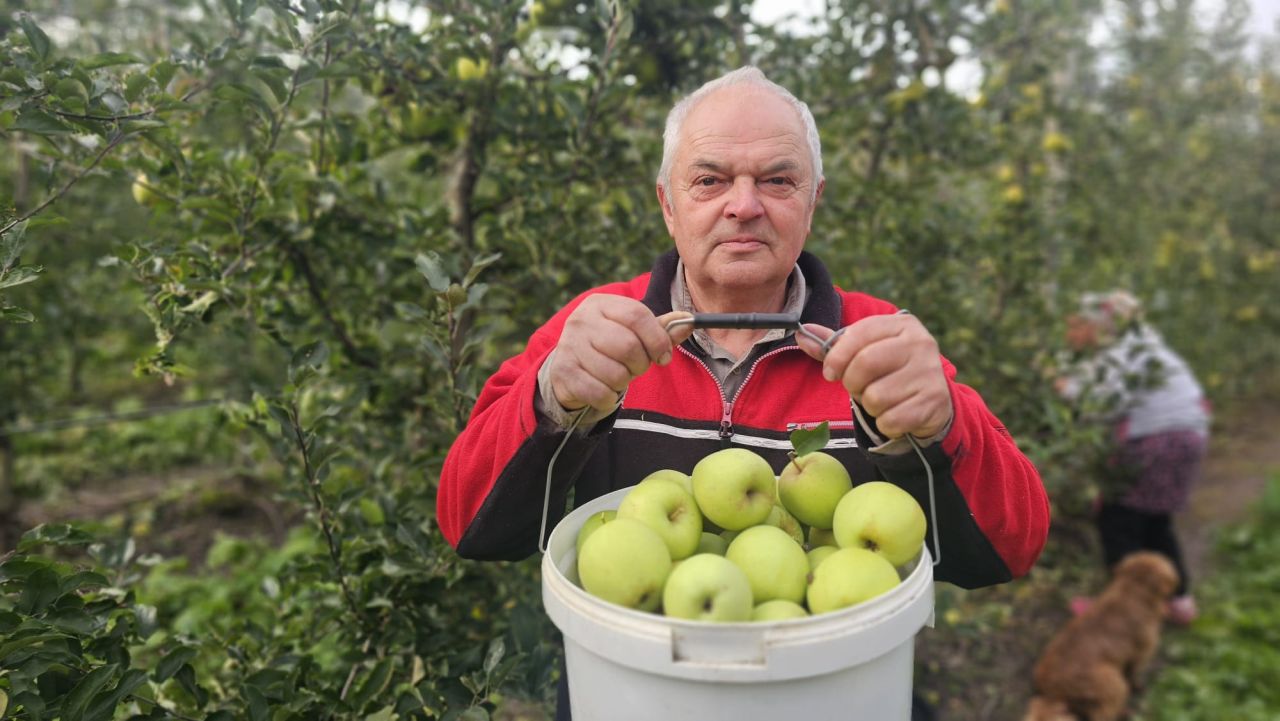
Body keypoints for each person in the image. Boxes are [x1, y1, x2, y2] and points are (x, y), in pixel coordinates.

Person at [437, 66, 1050, 719]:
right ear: (668, 205)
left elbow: (1010, 547)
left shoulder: (876, 345)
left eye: (778, 181)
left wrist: (937, 426)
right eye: (710, 180)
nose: (744, 205)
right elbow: (470, 524)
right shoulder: (597, 332)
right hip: (634, 696)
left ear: (813, 202)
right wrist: (552, 402)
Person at [1055, 290, 1210, 626]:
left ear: (1100, 326)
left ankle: (1122, 611)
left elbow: (1102, 403)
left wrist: (1064, 388)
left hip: (1158, 439)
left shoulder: (1123, 352)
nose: (1071, 332)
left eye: (1078, 325)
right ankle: (1179, 599)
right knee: (1153, 519)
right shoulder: (1142, 346)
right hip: (1187, 435)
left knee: (1118, 519)